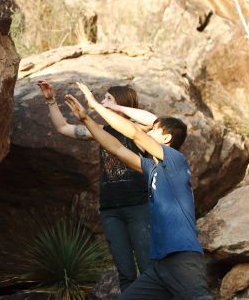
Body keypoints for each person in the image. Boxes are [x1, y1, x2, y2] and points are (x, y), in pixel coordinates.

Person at [65, 82, 212, 300]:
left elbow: (134, 133)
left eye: (154, 131)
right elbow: (116, 148)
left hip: (182, 257)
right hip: (160, 265)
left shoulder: (174, 161)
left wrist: (96, 105)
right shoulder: (152, 168)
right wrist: (86, 119)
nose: (149, 132)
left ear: (166, 139)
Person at [36, 80, 152, 291]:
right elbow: (63, 128)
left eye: (108, 98)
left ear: (121, 103)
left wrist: (115, 108)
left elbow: (153, 121)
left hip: (139, 208)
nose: (102, 101)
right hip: (111, 211)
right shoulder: (101, 130)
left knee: (148, 270)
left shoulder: (140, 131)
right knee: (125, 274)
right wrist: (51, 101)